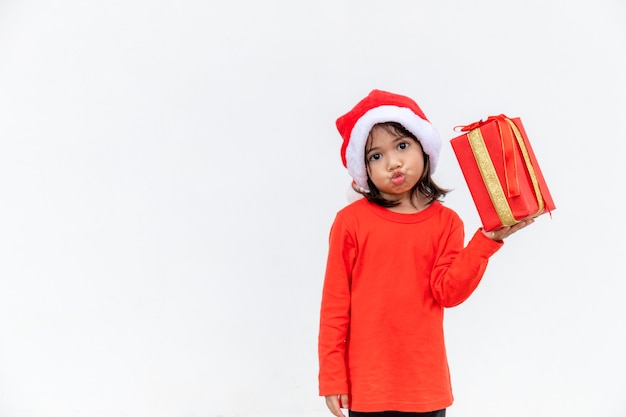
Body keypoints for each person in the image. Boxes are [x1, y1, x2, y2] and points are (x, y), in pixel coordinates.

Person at [318, 89, 533, 417]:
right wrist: (333, 376)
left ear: (423, 146)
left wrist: (487, 240)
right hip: (367, 387)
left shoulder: (447, 223)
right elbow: (335, 306)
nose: (393, 162)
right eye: (376, 156)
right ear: (364, 170)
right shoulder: (350, 222)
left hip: (425, 388)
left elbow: (447, 292)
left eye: (402, 146)